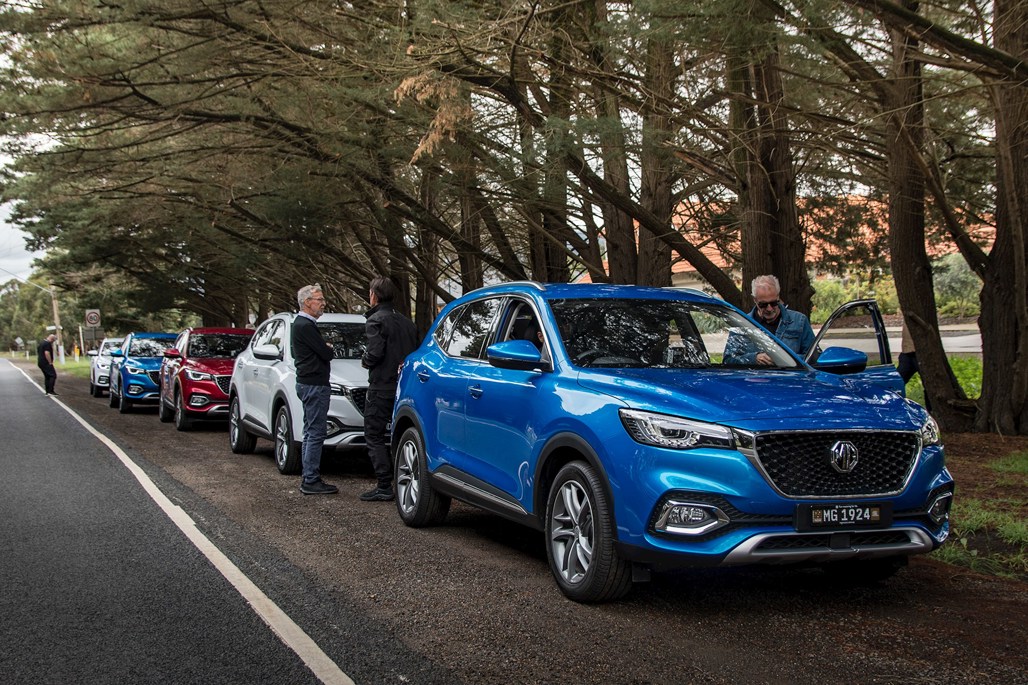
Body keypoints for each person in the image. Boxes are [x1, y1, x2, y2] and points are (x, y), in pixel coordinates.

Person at [360, 276, 420, 502]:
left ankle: (384, 484)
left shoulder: (375, 321)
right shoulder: (407, 323)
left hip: (381, 386)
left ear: (374, 295)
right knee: (401, 435)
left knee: (373, 434)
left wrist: (365, 360)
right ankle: (405, 479)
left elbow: (374, 353)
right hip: (404, 387)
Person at [291, 284, 338, 496]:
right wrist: (327, 348)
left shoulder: (302, 324)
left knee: (310, 431)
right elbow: (325, 354)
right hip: (314, 384)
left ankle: (308, 477)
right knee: (316, 432)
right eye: (319, 299)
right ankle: (310, 479)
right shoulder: (305, 325)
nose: (323, 303)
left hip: (308, 383)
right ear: (307, 302)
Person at [747, 274, 815, 364]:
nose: (769, 309)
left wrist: (784, 359)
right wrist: (754, 358)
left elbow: (814, 357)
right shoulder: (742, 323)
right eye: (763, 304)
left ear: (778, 296)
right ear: (754, 300)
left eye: (773, 303)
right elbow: (731, 358)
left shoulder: (799, 321)